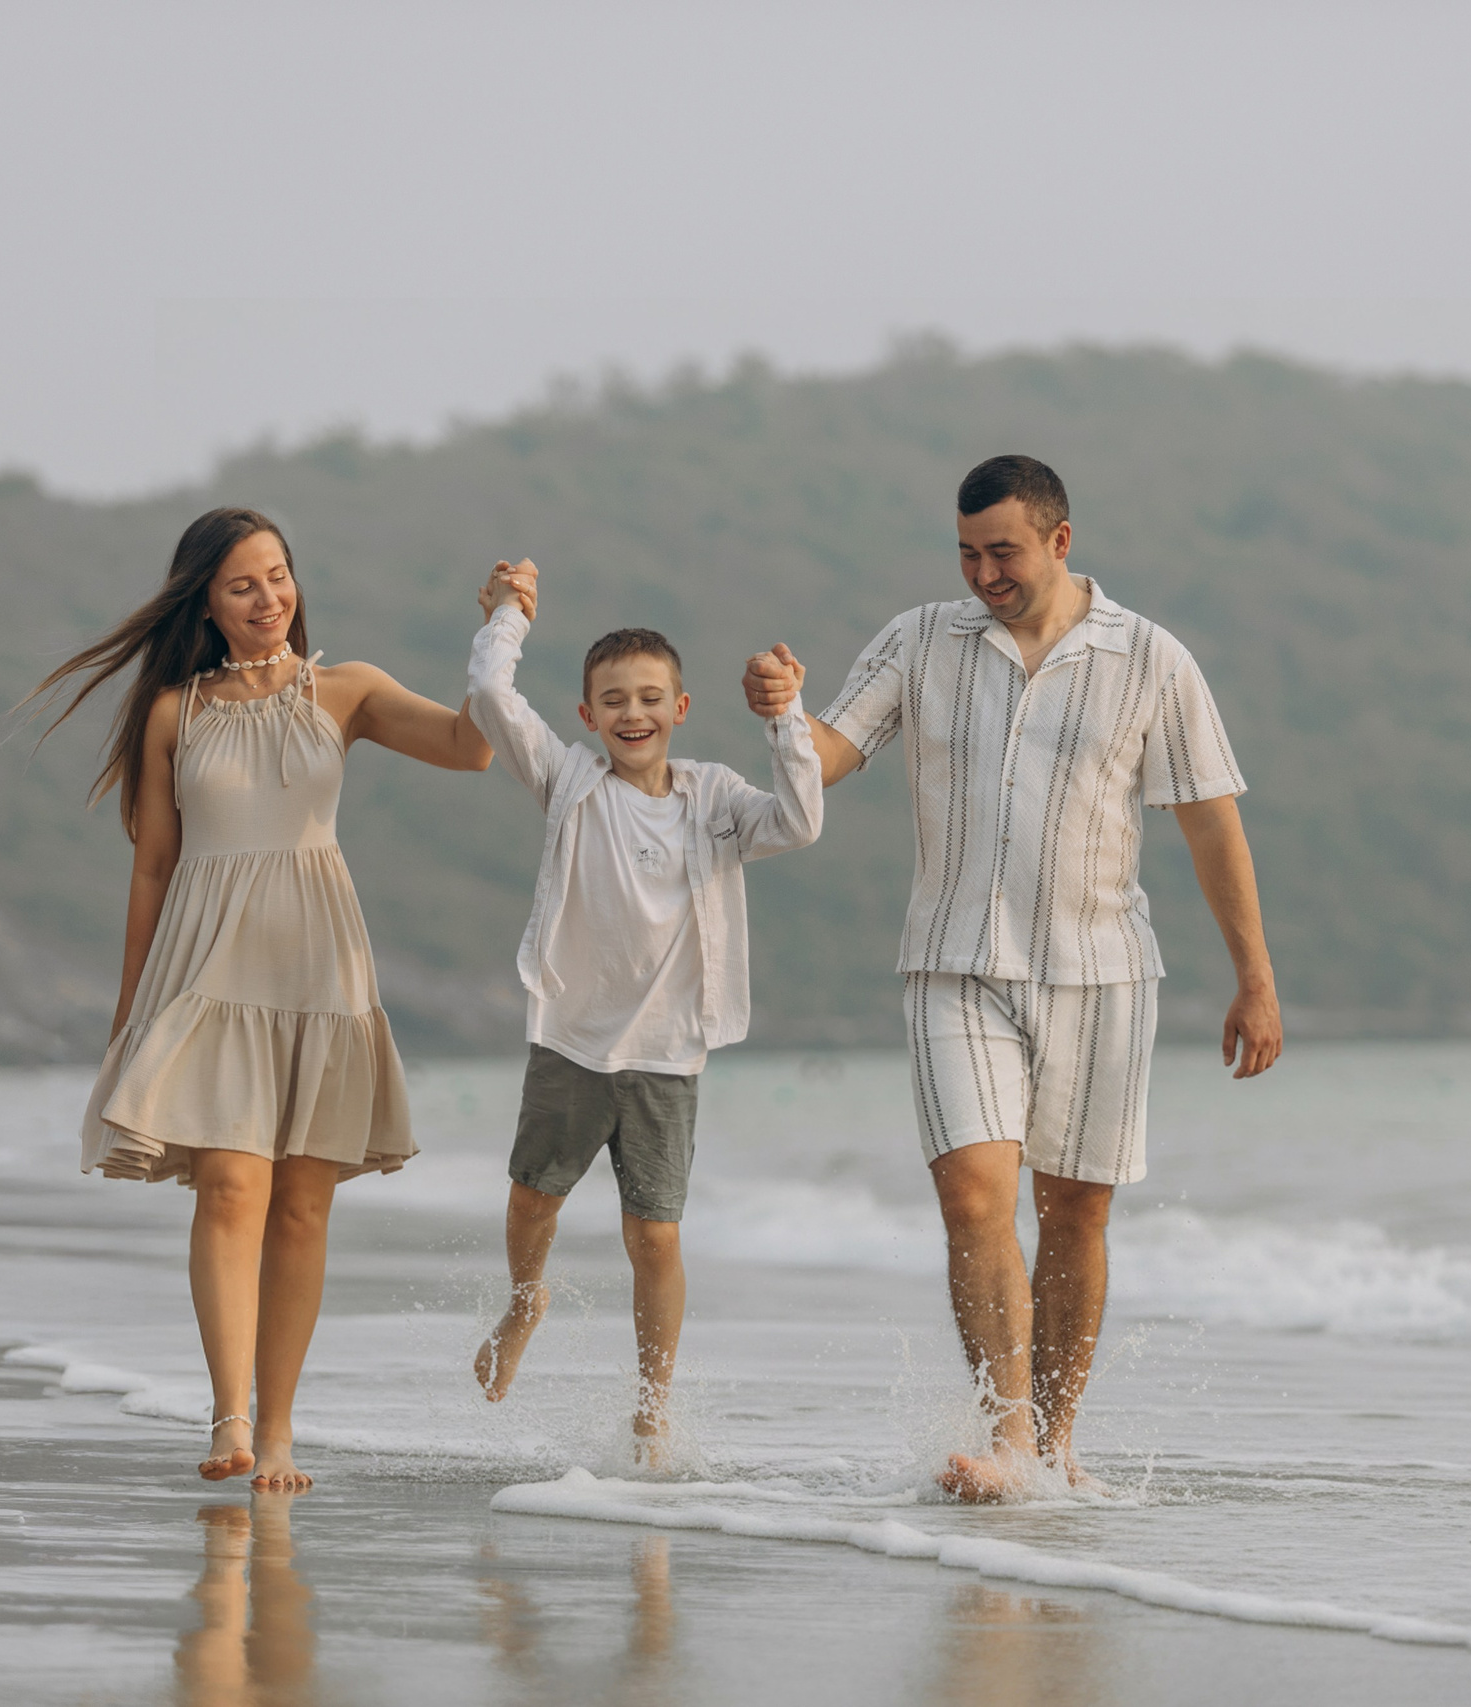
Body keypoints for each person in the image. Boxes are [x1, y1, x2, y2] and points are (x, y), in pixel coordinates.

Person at [743, 455, 1282, 1500]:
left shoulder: (1151, 658)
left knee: (1075, 1210)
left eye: (1003, 552)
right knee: (973, 1193)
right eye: (966, 553)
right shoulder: (918, 640)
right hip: (953, 963)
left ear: (1059, 541)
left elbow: (1212, 821)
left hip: (1102, 973)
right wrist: (781, 712)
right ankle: (1011, 1441)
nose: (983, 574)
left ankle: (1057, 1444)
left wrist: (1253, 979)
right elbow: (830, 754)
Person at [28, 507, 499, 1490]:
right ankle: (230, 1416)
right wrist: (130, 1006)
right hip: (208, 970)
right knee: (232, 1187)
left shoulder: (347, 689)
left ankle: (280, 1431)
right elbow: (153, 867)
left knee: (301, 1209)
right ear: (204, 600)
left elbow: (471, 747)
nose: (267, 597)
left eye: (278, 575)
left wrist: (501, 632)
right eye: (242, 584)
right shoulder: (174, 713)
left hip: (321, 969)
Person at [463, 557, 822, 1463]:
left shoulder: (717, 798)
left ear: (681, 708)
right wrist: (511, 614)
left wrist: (786, 719)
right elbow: (491, 693)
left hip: (667, 1053)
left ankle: (653, 1405)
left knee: (655, 1235)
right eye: (614, 699)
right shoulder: (568, 782)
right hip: (572, 1038)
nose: (634, 713)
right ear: (587, 716)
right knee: (532, 1199)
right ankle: (524, 1301)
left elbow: (799, 821)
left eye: (652, 698)